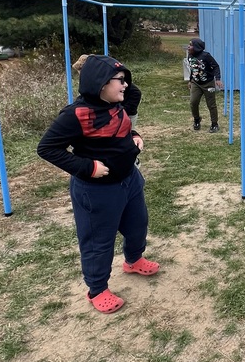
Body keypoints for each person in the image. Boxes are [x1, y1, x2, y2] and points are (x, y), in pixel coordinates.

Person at [37, 55, 159, 314]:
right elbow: (47, 148)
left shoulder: (117, 104)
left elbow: (123, 128)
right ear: (101, 84)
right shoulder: (76, 114)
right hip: (98, 191)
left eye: (125, 80)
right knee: (98, 241)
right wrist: (88, 167)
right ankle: (97, 289)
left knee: (138, 224)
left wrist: (134, 136)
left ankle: (133, 260)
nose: (125, 86)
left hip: (129, 180)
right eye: (119, 81)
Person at [73, 53, 142, 127]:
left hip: (126, 115)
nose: (80, 75)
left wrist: (122, 111)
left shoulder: (113, 80)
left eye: (81, 71)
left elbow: (136, 93)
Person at [187, 38, 223, 132]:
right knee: (193, 102)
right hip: (196, 83)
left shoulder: (206, 56)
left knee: (211, 104)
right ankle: (197, 119)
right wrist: (191, 80)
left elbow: (216, 66)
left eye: (190, 45)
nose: (188, 47)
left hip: (208, 83)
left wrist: (218, 79)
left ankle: (214, 124)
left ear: (196, 47)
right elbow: (193, 69)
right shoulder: (190, 56)